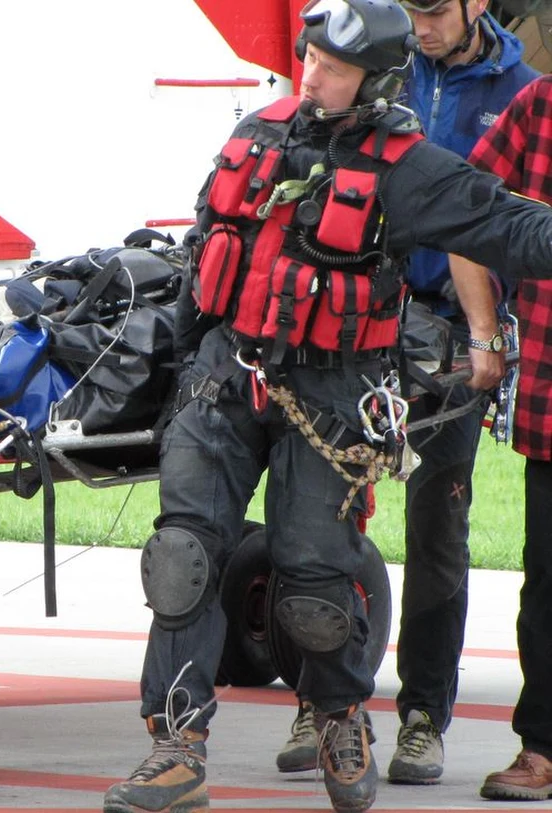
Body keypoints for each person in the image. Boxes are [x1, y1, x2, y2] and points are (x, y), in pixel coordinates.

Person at [101, 1, 552, 811]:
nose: (310, 76)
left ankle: (341, 713)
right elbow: (204, 257)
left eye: (333, 67)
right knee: (183, 558)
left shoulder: (408, 167)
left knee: (312, 575)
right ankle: (176, 746)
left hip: (332, 391)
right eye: (309, 57)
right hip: (221, 380)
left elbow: (505, 225)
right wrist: (170, 380)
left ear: (375, 80)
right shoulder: (255, 132)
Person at [274, 0, 537, 786]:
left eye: (434, 11)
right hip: (357, 326)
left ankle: (423, 715)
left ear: (478, 5)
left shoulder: (518, 91)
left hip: (456, 338)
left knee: (438, 523)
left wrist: (491, 334)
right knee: (322, 511)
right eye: (411, 11)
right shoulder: (379, 69)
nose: (421, 26)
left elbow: (504, 220)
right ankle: (324, 701)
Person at [449, 73, 552, 803]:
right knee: (548, 584)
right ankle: (543, 745)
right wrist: (485, 334)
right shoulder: (539, 103)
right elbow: (463, 213)